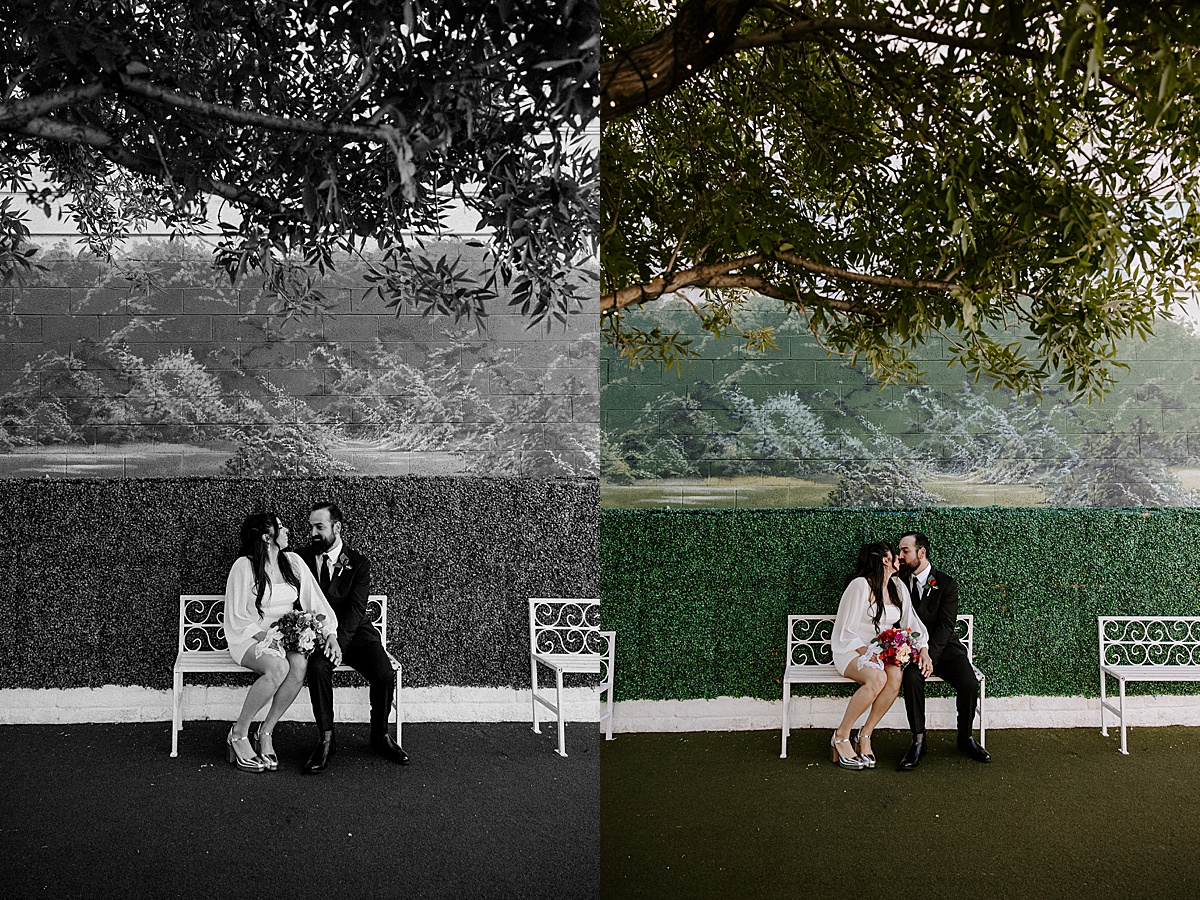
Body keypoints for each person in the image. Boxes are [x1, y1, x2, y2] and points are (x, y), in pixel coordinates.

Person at [223, 512, 339, 773]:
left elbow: (314, 599)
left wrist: (329, 632)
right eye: (281, 527)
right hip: (249, 637)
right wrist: (267, 638)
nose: (286, 530)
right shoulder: (244, 566)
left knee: (298, 665)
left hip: (284, 637)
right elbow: (237, 616)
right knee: (278, 667)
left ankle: (265, 732)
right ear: (267, 537)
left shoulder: (293, 561)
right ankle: (238, 732)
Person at [298, 501, 409, 772]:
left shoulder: (357, 563)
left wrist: (337, 638)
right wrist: (324, 636)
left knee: (383, 672)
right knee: (317, 667)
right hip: (320, 635)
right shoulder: (299, 559)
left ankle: (380, 734)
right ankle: (326, 737)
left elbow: (357, 608)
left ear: (337, 527)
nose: (314, 532)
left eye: (319, 527)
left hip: (356, 633)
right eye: (311, 526)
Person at [829, 541, 932, 769]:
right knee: (877, 678)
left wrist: (922, 648)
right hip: (850, 650)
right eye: (893, 555)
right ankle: (841, 735)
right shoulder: (860, 586)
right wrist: (866, 652)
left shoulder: (897, 586)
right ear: (884, 560)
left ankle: (865, 735)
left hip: (879, 651)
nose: (898, 557)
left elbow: (910, 621)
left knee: (895, 675)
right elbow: (845, 629)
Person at [895, 531, 991, 768]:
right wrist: (920, 652)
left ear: (922, 552)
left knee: (969, 682)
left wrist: (930, 654)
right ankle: (918, 740)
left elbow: (947, 625)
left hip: (945, 648)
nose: (900, 556)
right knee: (911, 678)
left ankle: (965, 737)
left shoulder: (946, 583)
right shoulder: (898, 581)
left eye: (905, 551)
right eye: (900, 551)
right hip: (915, 650)